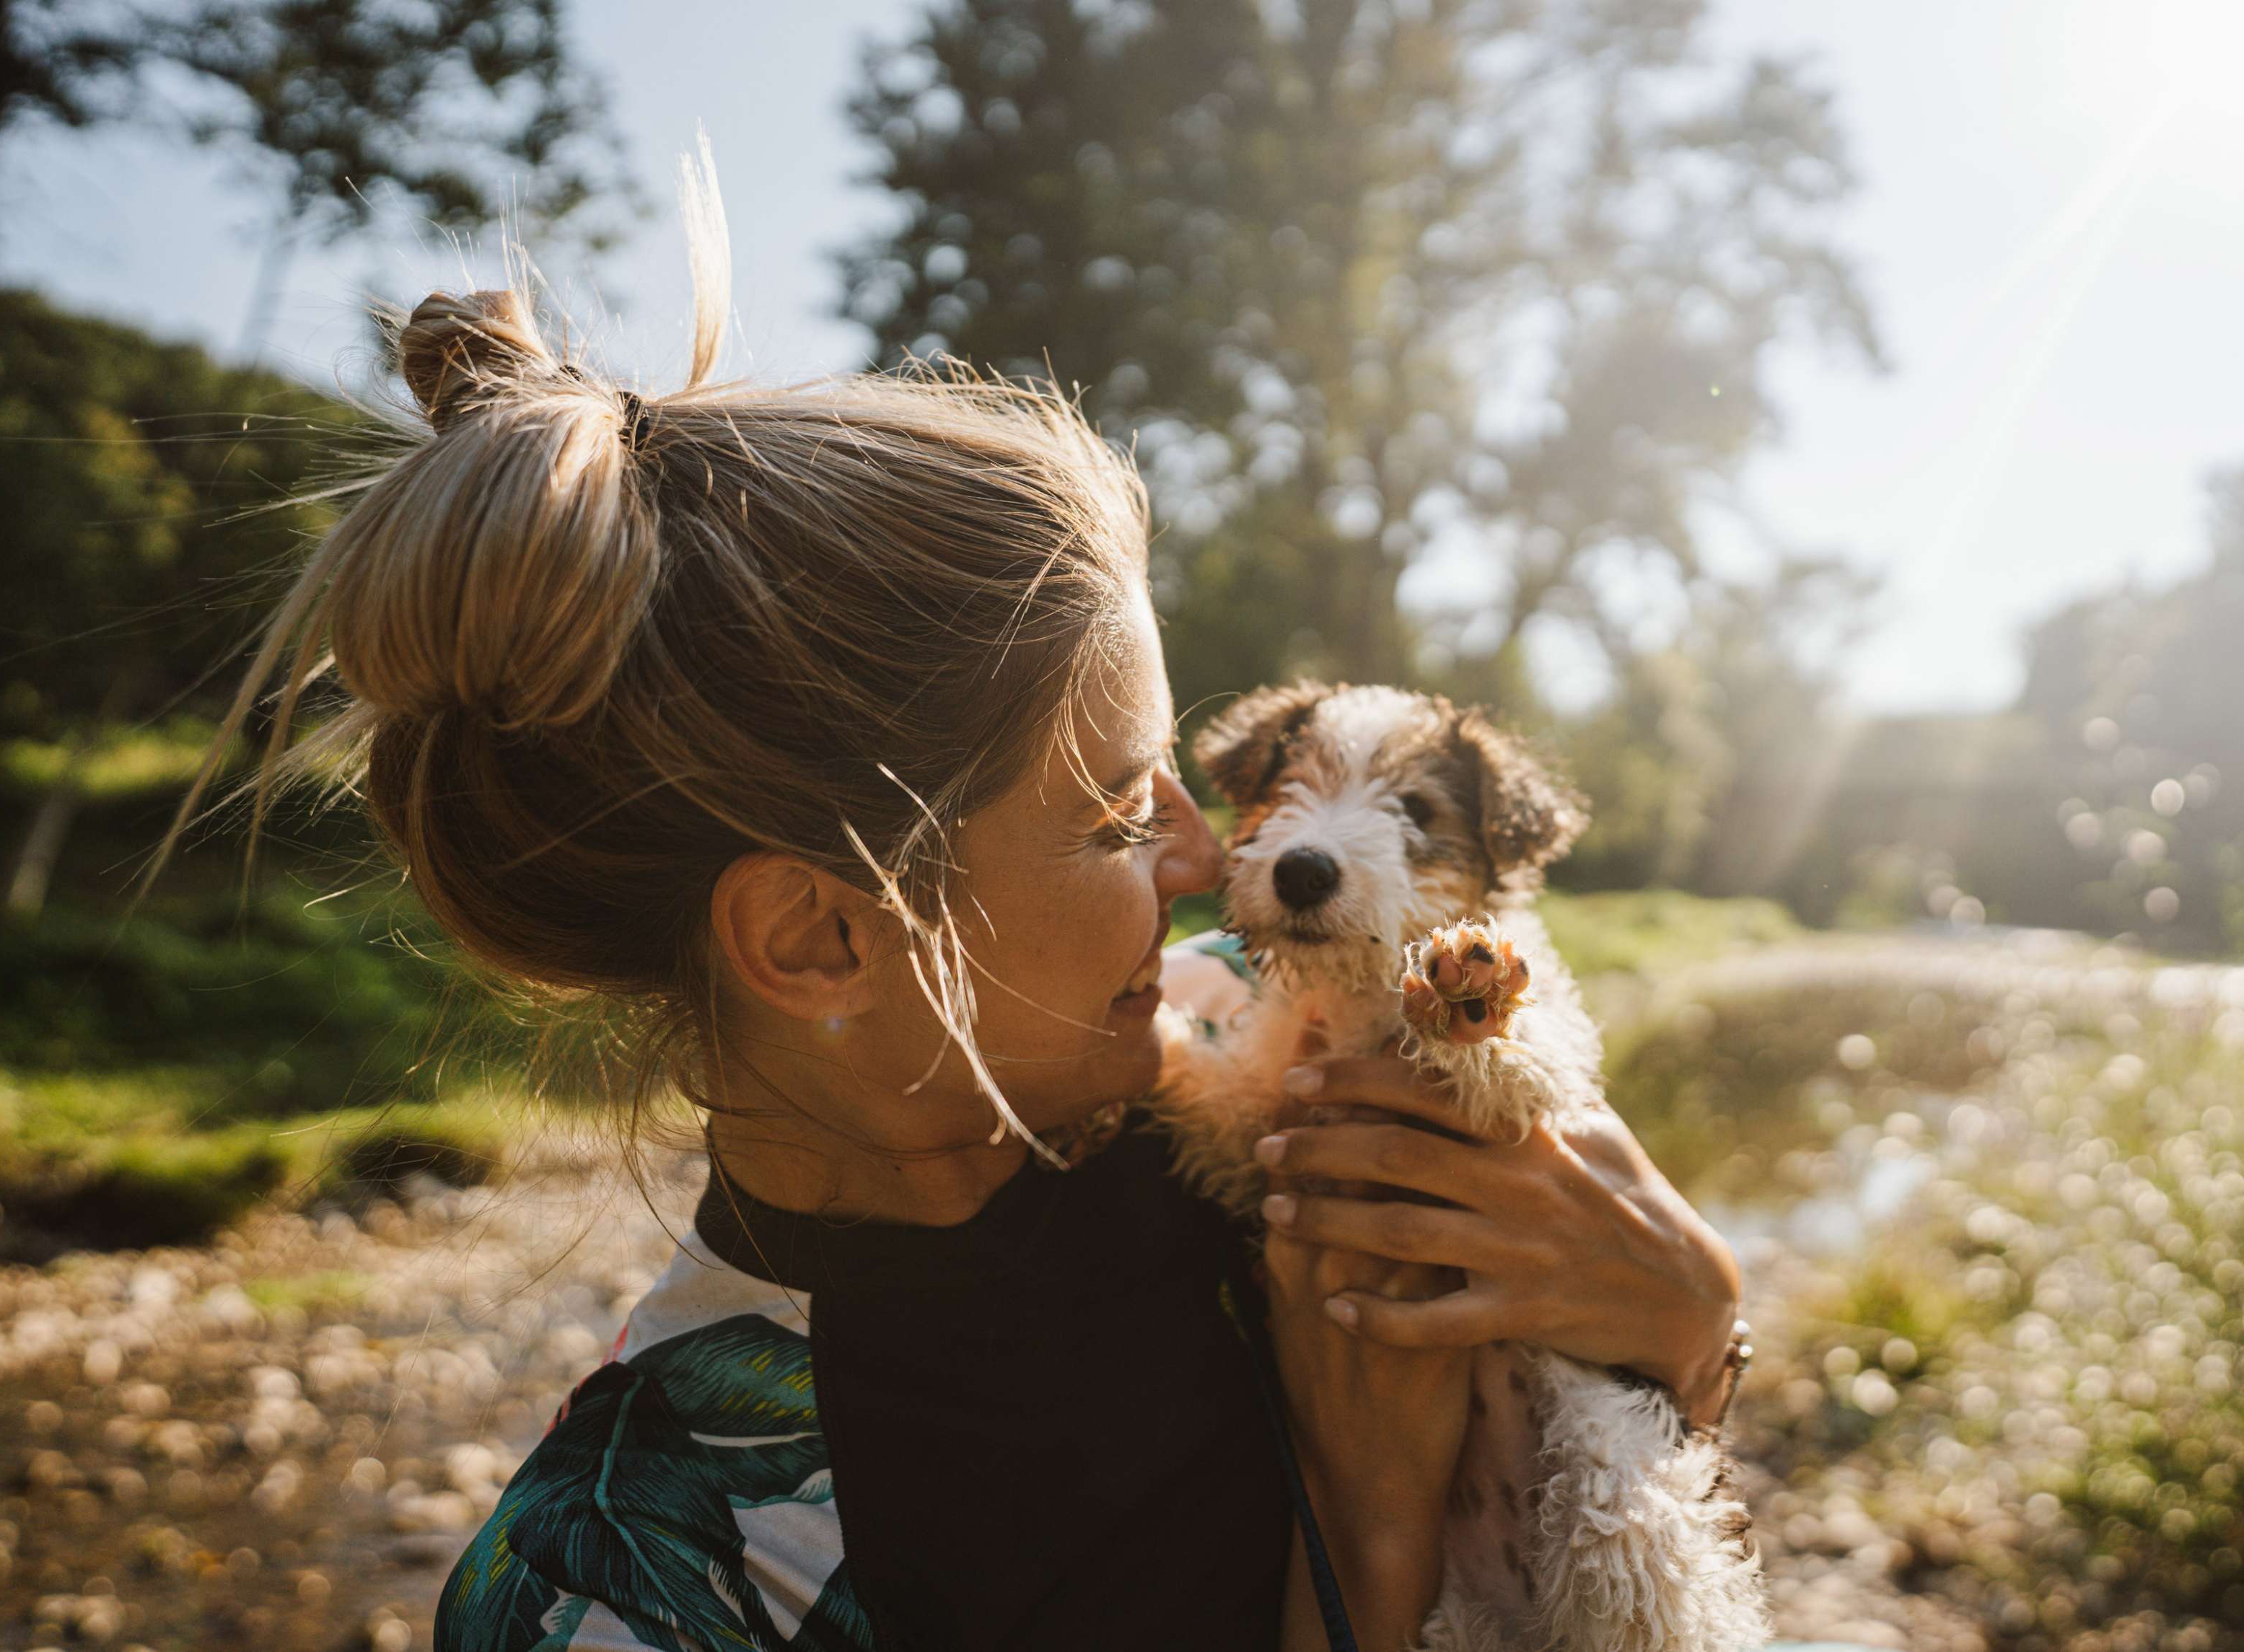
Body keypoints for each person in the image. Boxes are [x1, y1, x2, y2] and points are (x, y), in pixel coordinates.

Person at [186, 173, 1745, 1652]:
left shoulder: (1264, 1047)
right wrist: (1364, 1519)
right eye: (1116, 810)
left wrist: (1690, 1326)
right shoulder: (633, 1582)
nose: (1203, 855)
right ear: (820, 938)